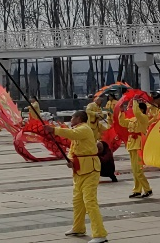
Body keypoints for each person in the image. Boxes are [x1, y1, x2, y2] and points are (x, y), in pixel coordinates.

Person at [52, 110, 108, 243]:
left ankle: (100, 234)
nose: (71, 119)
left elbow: (71, 134)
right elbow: (72, 150)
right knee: (77, 200)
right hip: (79, 169)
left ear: (79, 118)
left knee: (90, 201)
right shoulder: (78, 130)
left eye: (72, 117)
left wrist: (54, 130)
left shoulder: (84, 129)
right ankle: (78, 227)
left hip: (91, 169)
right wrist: (70, 160)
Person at [117, 101, 151, 199]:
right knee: (134, 170)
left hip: (139, 145)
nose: (134, 110)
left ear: (142, 110)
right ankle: (137, 190)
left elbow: (137, 113)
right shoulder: (133, 119)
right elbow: (122, 122)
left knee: (138, 170)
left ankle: (148, 189)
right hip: (132, 144)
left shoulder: (144, 118)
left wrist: (135, 101)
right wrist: (122, 112)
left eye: (136, 108)